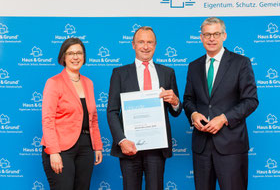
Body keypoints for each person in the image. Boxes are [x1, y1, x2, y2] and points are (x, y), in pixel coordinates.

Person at [183, 17, 259, 190]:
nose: (211, 38)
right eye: (207, 34)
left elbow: (251, 100)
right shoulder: (193, 66)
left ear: (224, 36)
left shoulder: (241, 63)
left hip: (231, 145)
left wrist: (224, 118)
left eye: (216, 34)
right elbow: (188, 99)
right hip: (202, 146)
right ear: (201, 37)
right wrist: (194, 114)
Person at [107, 26, 182, 190]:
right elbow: (112, 111)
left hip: (156, 147)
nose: (146, 46)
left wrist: (175, 102)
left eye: (150, 42)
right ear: (133, 45)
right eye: (141, 42)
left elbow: (175, 112)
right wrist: (122, 140)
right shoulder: (119, 73)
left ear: (155, 45)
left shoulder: (168, 72)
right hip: (129, 145)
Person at [41, 37, 103, 190]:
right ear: (63, 57)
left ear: (84, 57)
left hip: (85, 147)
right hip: (61, 148)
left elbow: (93, 119)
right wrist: (53, 152)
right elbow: (48, 120)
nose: (75, 57)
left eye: (79, 53)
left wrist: (98, 146)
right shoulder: (54, 82)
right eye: (70, 53)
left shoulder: (88, 83)